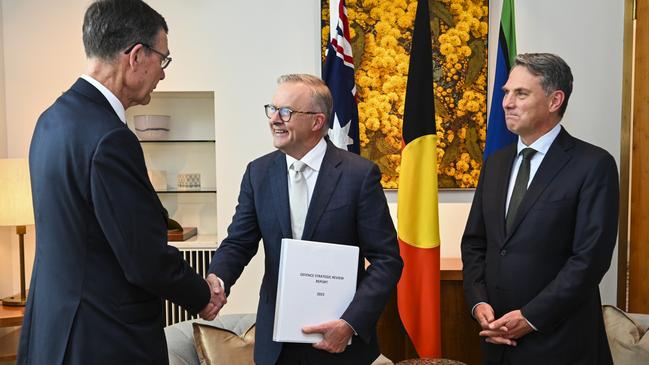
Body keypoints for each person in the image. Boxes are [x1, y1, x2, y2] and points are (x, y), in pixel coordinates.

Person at [18, 1, 225, 363]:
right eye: (163, 60)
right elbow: (143, 257)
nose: (162, 74)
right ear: (136, 55)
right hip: (104, 339)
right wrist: (201, 294)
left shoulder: (50, 120)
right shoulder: (111, 137)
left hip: (53, 333)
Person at [206, 74, 403, 365]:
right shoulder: (257, 173)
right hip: (276, 348)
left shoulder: (359, 175)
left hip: (340, 344)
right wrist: (216, 280)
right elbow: (239, 242)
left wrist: (350, 322)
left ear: (317, 121)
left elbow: (387, 260)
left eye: (286, 112)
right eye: (271, 110)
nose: (274, 119)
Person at [461, 53, 619, 365]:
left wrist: (530, 317)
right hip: (496, 340)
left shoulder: (593, 165)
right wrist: (478, 302)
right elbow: (476, 243)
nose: (507, 103)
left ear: (554, 100)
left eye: (521, 93)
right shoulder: (496, 163)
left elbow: (589, 261)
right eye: (506, 93)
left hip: (559, 342)